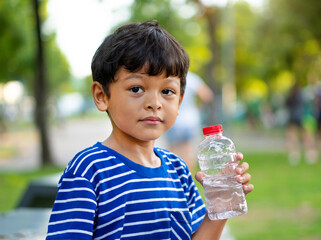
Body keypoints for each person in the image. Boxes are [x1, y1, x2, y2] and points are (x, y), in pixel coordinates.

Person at [46, 20, 253, 240]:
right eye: (136, 89)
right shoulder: (89, 171)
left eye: (167, 91)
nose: (155, 102)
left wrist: (220, 204)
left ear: (180, 101)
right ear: (101, 96)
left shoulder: (178, 171)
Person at [164, 71, 213, 172]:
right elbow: (207, 95)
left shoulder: (168, 78)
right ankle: (187, 178)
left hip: (173, 120)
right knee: (189, 153)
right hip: (191, 120)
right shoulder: (191, 78)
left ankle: (173, 178)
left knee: (172, 153)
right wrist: (198, 106)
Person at [285, 83, 317, 165]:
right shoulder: (303, 97)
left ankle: (294, 157)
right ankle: (309, 155)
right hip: (301, 118)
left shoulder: (291, 97)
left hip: (293, 118)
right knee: (305, 138)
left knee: (293, 138)